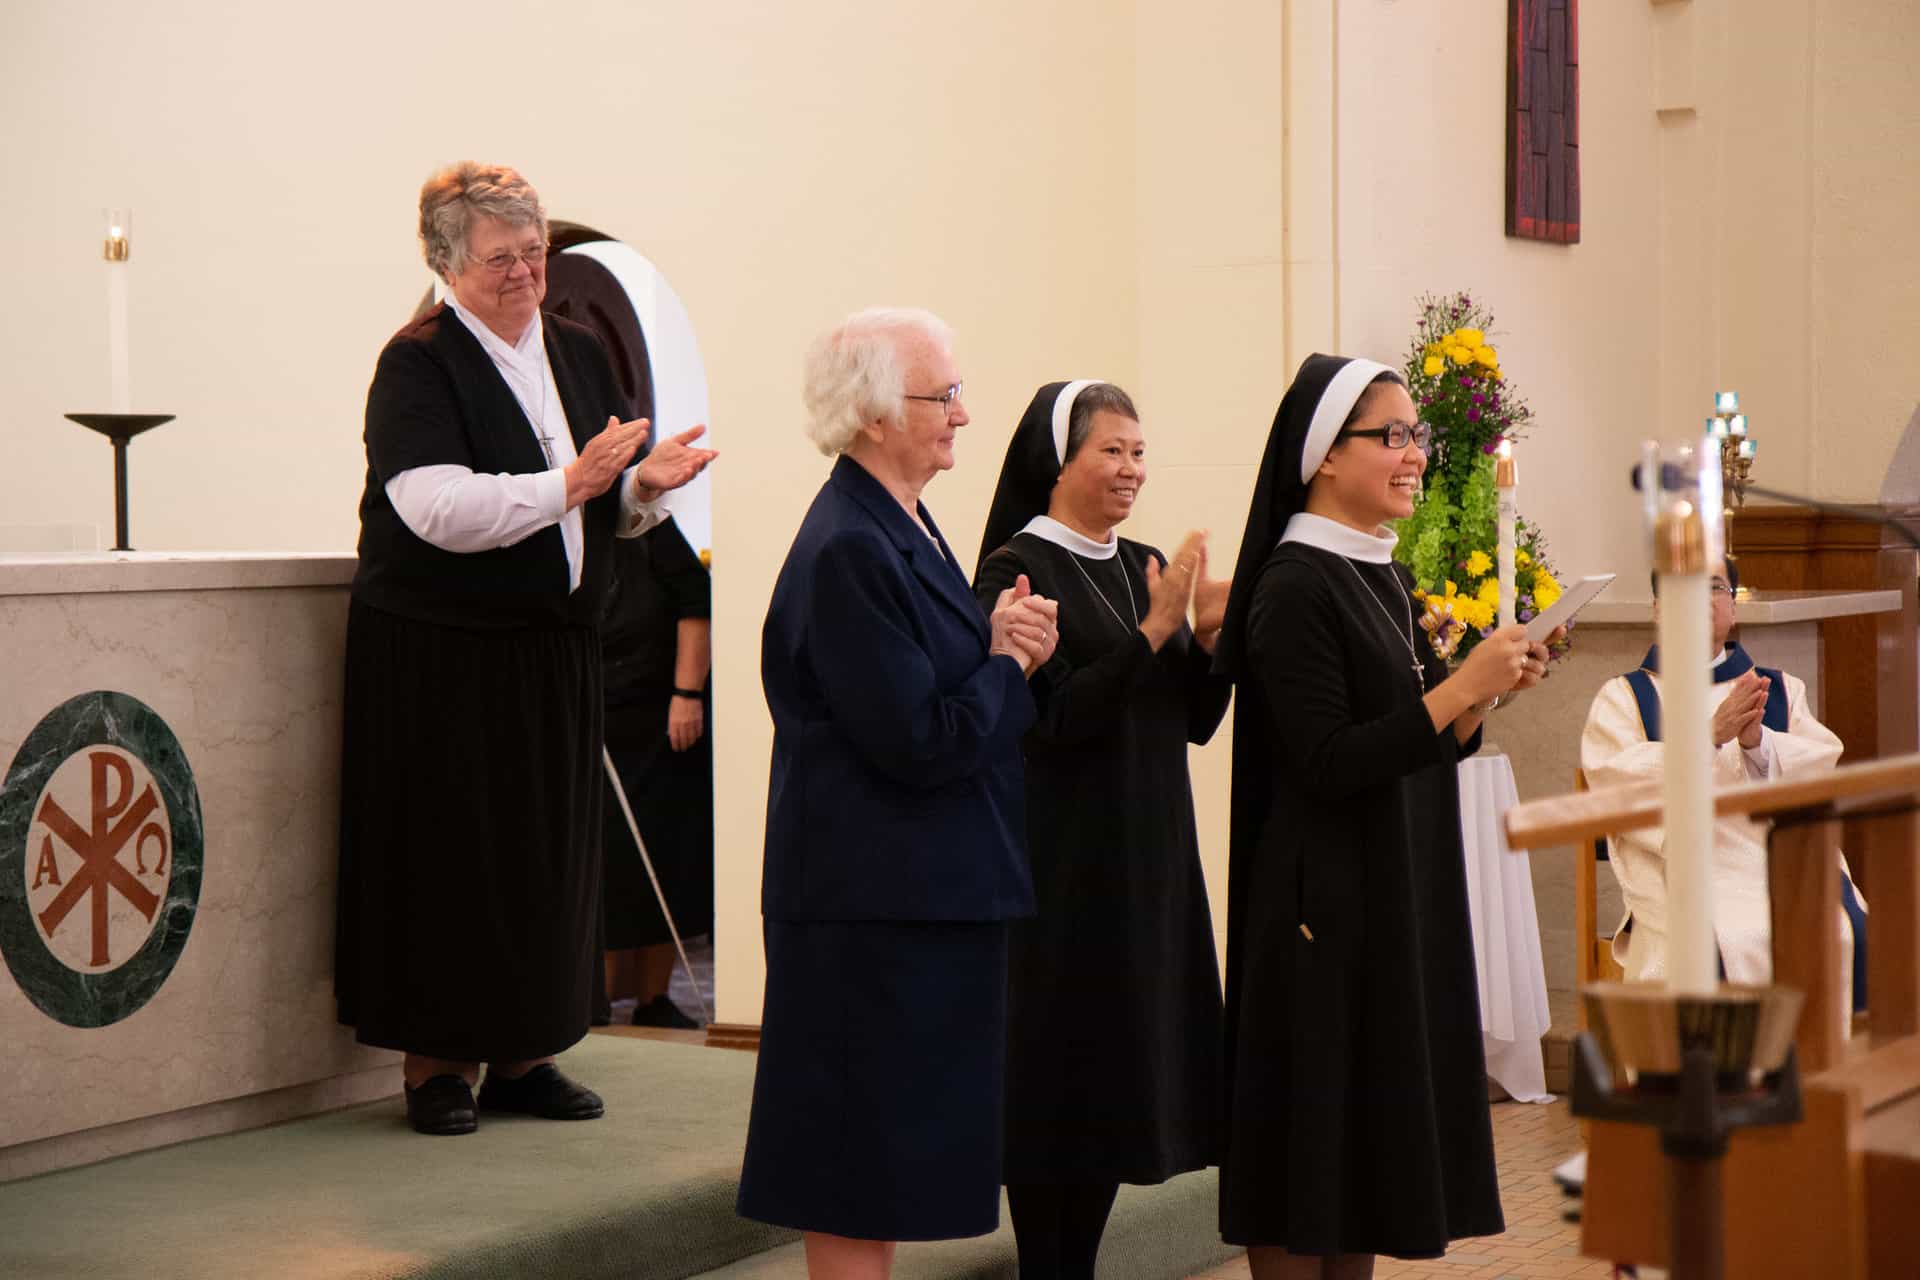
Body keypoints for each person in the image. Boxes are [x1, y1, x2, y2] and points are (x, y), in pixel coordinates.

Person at [335, 161, 717, 1137]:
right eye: (502, 258)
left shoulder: (578, 350)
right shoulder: (417, 363)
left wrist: (642, 488)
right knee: (457, 858)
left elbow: (600, 511)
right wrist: (570, 482)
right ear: (446, 261)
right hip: (442, 655)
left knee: (548, 854)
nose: (525, 273)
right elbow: (431, 506)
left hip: (553, 647)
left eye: (535, 253)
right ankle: (436, 1067)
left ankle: (527, 1052)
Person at [1211, 353, 1549, 1278]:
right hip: (1317, 908)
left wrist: (1483, 695)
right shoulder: (1293, 585)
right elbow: (1326, 761)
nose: (1413, 456)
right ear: (1325, 455)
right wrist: (1459, 692)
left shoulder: (1378, 574)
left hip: (1381, 890)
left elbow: (1416, 736)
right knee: (1307, 1147)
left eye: (1416, 437)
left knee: (1359, 1156)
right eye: (1391, 436)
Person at [737, 307, 1058, 1280]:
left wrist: (987, 642)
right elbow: (916, 737)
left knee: (877, 1165)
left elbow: (921, 685)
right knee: (852, 1169)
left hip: (908, 899)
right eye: (944, 393)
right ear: (876, 415)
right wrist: (1006, 663)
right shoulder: (849, 545)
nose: (964, 413)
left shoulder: (898, 522)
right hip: (864, 910)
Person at [972, 380, 1230, 1279]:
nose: (1131, 470)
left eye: (1138, 451)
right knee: (1061, 1087)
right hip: (1064, 871)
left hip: (1148, 863)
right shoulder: (1015, 570)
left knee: (1120, 1083)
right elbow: (1047, 722)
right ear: (1060, 459)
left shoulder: (1145, 561)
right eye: (1111, 451)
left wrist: (1203, 641)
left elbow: (1190, 721)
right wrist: (1152, 635)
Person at [1580, 558, 1867, 1015]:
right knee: (1712, 942)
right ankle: (1725, 1086)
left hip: (1778, 858)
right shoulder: (1624, 697)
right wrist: (1708, 736)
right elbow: (1615, 784)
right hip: (1682, 868)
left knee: (1845, 928)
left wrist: (1760, 744)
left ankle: (1826, 1080)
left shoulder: (1778, 690)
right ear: (1658, 609)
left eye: (1714, 587)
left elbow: (1820, 773)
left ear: (1732, 609)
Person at [600, 515, 714, 1029]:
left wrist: (686, 695)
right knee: (602, 866)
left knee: (670, 858)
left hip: (666, 722)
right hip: (594, 722)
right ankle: (592, 1001)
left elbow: (697, 602)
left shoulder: (652, 527)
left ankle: (654, 999)